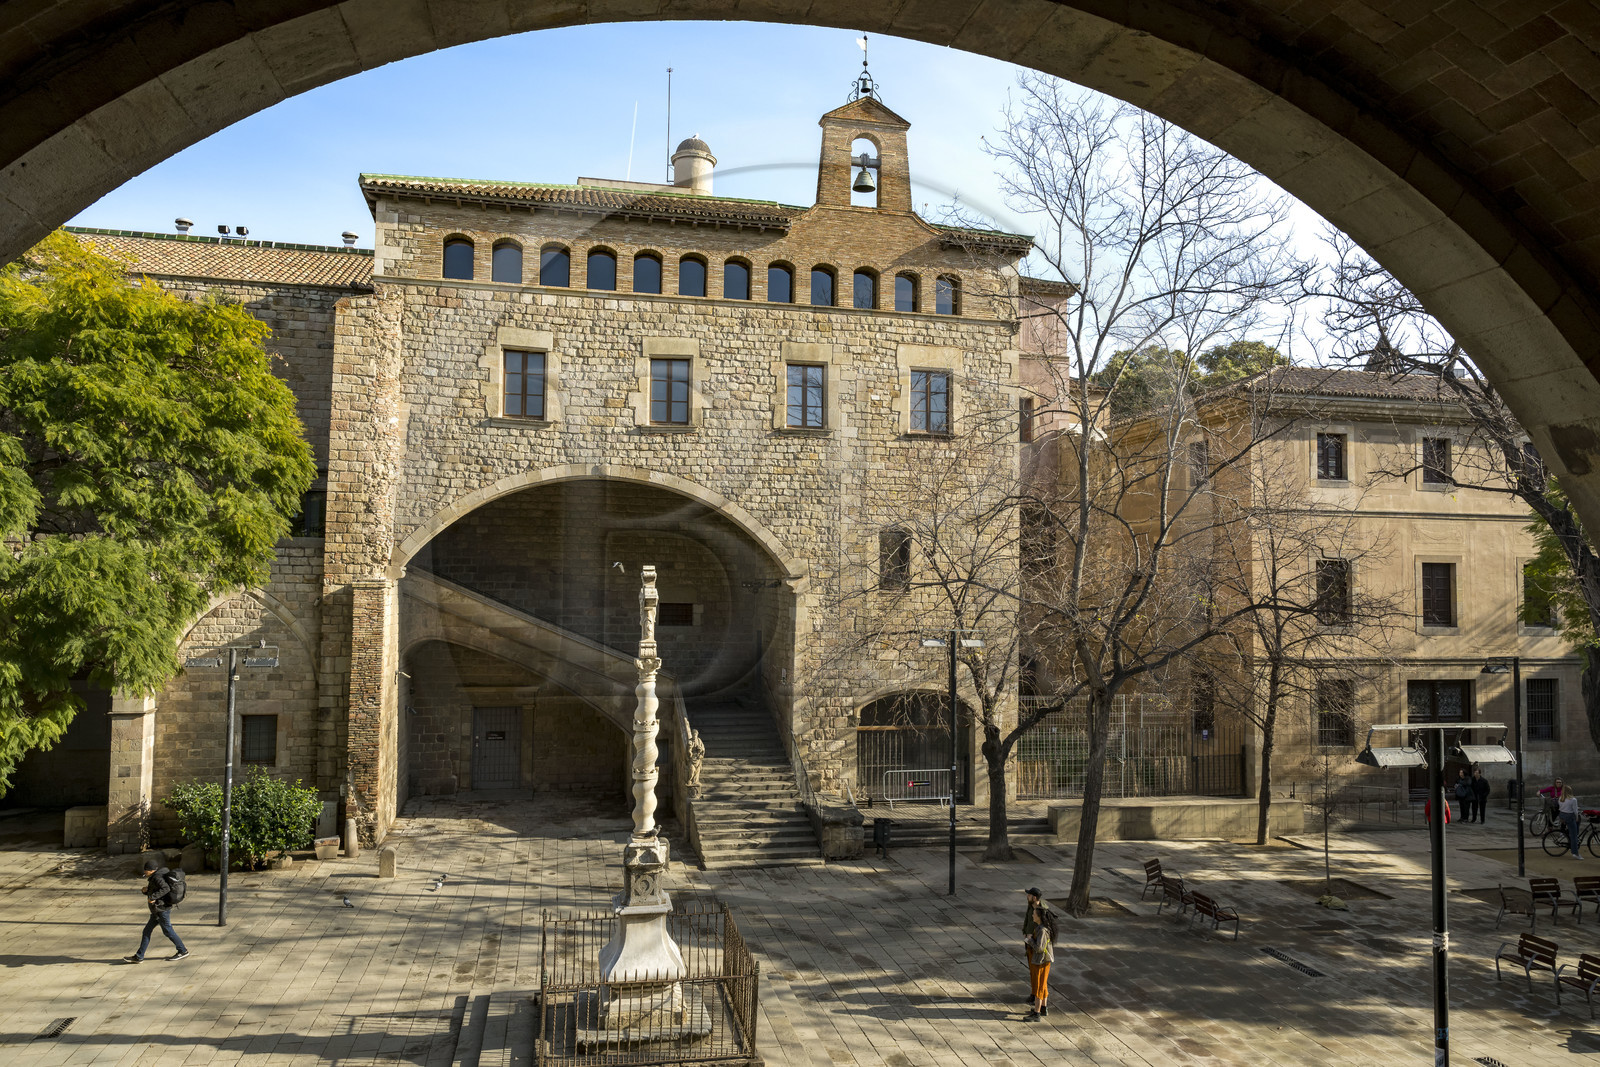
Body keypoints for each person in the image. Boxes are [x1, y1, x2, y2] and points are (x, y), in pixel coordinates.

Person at [123, 855, 189, 963]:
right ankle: (139, 956)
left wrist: (153, 897)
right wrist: (146, 891)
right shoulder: (156, 876)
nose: (145, 872)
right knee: (147, 931)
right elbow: (157, 889)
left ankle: (183, 950)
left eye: (146, 870)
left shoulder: (157, 878)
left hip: (161, 910)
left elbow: (165, 889)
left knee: (168, 931)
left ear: (151, 870)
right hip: (157, 910)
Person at [1023, 894, 1055, 1021]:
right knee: (1043, 985)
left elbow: (1040, 948)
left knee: (1039, 986)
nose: (1032, 916)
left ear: (1039, 917)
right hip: (1043, 960)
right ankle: (1043, 1008)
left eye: (1034, 914)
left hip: (1041, 961)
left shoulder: (1042, 930)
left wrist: (1029, 940)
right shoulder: (1041, 928)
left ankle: (1036, 1014)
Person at [1559, 785, 1584, 860]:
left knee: (1573, 830)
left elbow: (1563, 807)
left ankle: (1567, 834)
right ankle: (1575, 853)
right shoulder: (1573, 799)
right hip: (1570, 816)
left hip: (1562, 815)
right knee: (1574, 836)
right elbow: (1575, 811)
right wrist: (1576, 818)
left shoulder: (1561, 798)